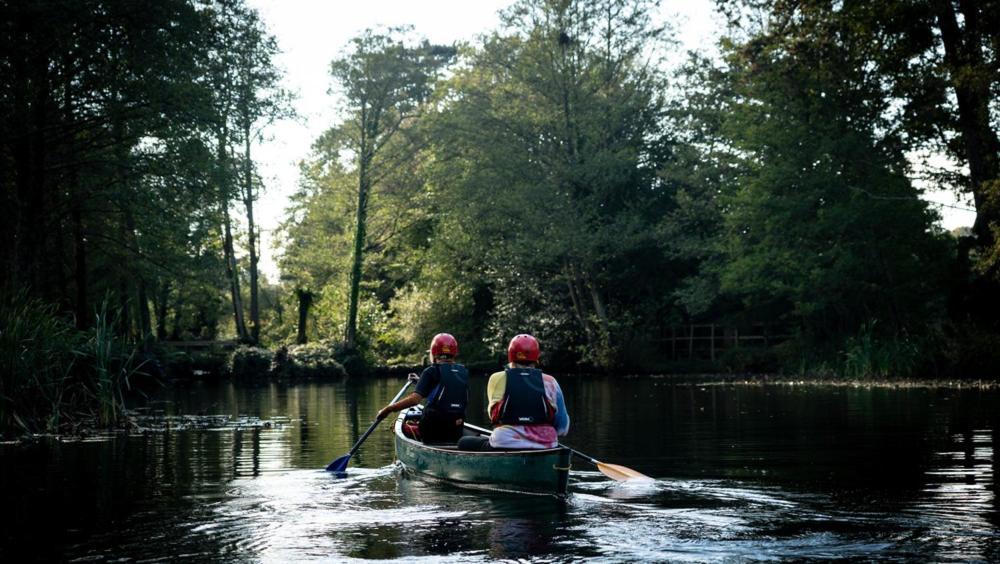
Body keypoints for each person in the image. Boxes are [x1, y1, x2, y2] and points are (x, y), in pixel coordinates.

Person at [458, 334, 569, 451]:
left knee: (463, 442)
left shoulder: (497, 378)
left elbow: (493, 416)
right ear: (536, 357)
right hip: (546, 446)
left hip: (504, 444)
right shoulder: (551, 382)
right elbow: (563, 429)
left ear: (510, 356)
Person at [376, 333, 469, 444]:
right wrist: (420, 382)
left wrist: (388, 409)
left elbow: (415, 400)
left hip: (432, 430)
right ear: (454, 353)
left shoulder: (430, 371)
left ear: (434, 353)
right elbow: (446, 392)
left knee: (414, 423)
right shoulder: (462, 372)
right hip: (455, 429)